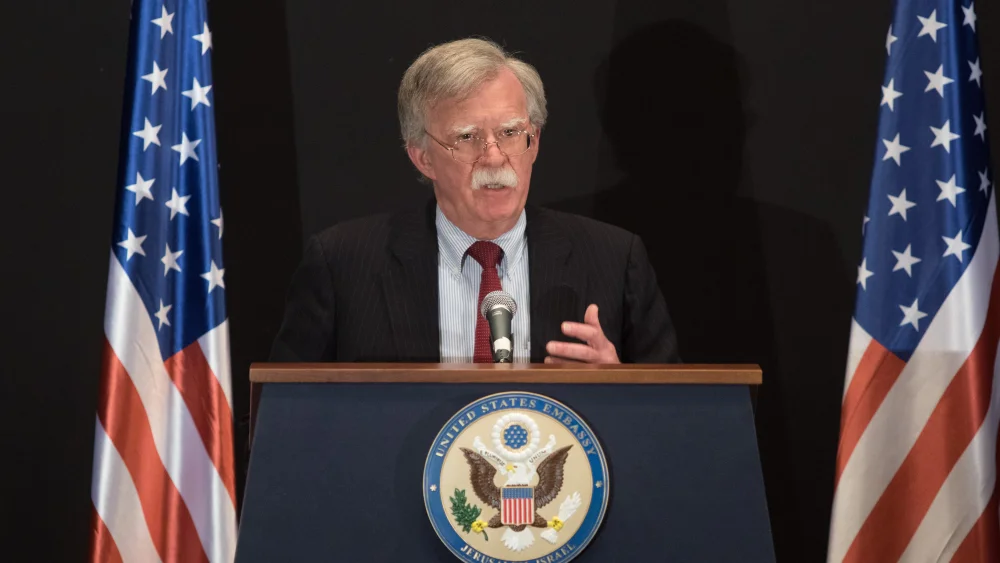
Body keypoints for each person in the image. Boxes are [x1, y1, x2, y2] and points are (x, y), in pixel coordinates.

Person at [270, 38, 680, 364]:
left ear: (534, 141)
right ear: (422, 156)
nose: (495, 157)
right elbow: (282, 421)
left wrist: (623, 390)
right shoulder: (343, 264)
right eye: (466, 137)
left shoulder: (614, 259)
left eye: (510, 132)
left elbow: (678, 424)